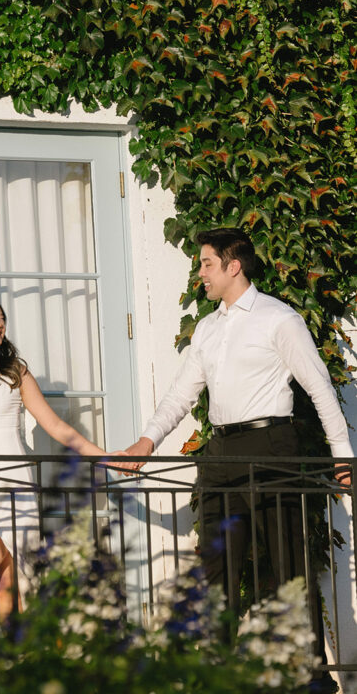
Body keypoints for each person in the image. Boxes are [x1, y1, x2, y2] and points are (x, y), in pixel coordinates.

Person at [112, 227, 352, 694]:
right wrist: (146, 442)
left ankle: (311, 681)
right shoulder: (208, 328)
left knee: (289, 569)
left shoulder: (278, 319)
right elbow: (181, 394)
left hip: (272, 447)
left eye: (206, 263)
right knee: (216, 570)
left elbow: (319, 386)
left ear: (233, 265)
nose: (200, 272)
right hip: (220, 454)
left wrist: (343, 455)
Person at [0, 296, 106, 621]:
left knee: (11, 576)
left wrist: (105, 457)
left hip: (15, 481)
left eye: (2, 317)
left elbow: (55, 426)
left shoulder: (16, 373)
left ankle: (4, 643)